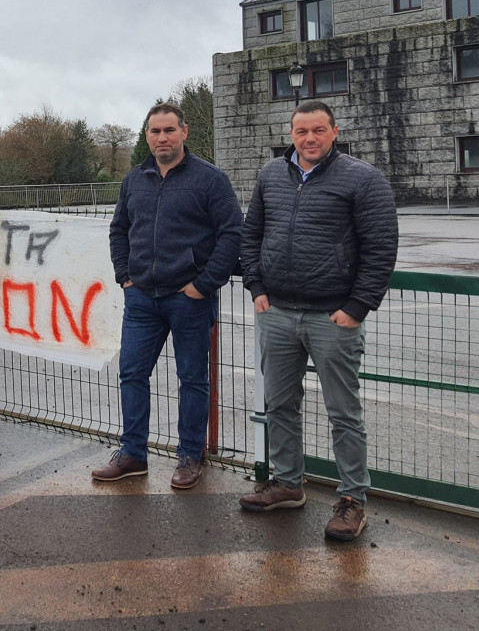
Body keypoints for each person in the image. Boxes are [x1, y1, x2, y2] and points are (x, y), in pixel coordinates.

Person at [238, 100, 397, 542]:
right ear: (291, 134)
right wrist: (257, 287)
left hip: (333, 316)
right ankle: (288, 483)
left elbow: (381, 246)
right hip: (277, 312)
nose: (309, 138)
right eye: (301, 131)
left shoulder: (363, 178)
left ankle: (352, 500)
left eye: (318, 130)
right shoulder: (271, 174)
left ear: (334, 132)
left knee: (343, 412)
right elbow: (251, 234)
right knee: (279, 405)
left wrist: (357, 307)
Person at [94, 103, 242, 489]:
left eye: (169, 130)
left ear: (184, 133)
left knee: (191, 379)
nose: (162, 138)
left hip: (189, 298)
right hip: (142, 298)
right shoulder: (134, 179)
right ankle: (132, 454)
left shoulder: (210, 179)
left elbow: (232, 234)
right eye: (155, 131)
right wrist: (125, 277)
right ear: (147, 135)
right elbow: (119, 229)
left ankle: (190, 456)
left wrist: (203, 284)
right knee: (132, 373)